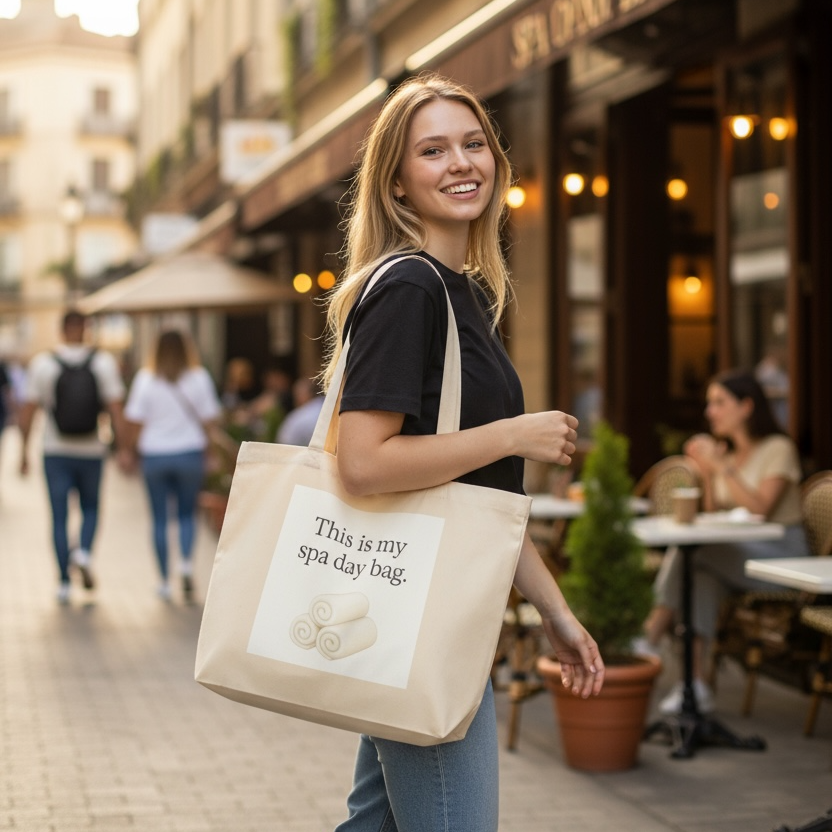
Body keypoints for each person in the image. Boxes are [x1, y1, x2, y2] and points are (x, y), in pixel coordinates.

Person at [321, 73, 604, 832]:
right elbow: (363, 462)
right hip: (424, 623)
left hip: (430, 612)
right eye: (434, 150)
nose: (461, 163)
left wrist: (555, 611)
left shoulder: (461, 294)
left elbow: (473, 495)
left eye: (474, 143)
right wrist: (515, 433)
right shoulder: (412, 289)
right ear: (399, 184)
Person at [640, 368, 808, 715]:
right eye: (709, 403)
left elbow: (761, 508)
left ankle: (650, 636)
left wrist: (721, 468)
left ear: (747, 406)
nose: (710, 412)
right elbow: (714, 517)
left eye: (718, 402)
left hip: (781, 557)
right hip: (735, 555)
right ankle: (695, 683)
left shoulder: (778, 448)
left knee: (694, 553)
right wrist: (706, 471)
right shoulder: (727, 455)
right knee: (699, 573)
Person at [18, 309, 129, 604]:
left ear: (62, 330)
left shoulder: (43, 364)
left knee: (59, 516)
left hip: (55, 451)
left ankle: (64, 582)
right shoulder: (103, 362)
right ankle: (83, 553)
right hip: (92, 450)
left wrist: (23, 452)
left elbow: (28, 411)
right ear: (86, 329)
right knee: (91, 507)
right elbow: (116, 410)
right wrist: (125, 449)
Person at [123, 329, 224, 602]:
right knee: (187, 515)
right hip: (189, 454)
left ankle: (164, 582)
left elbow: (134, 420)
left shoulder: (145, 379)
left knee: (158, 519)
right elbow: (211, 420)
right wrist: (210, 451)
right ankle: (187, 566)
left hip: (154, 455)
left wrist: (128, 452)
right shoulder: (199, 377)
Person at [276, 377, 323, 446]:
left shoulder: (297, 417)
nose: (294, 399)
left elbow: (283, 444)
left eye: (297, 394)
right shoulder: (331, 410)